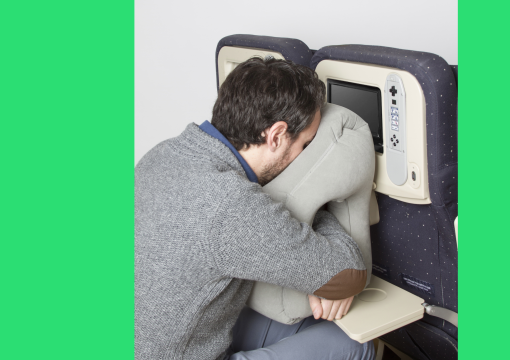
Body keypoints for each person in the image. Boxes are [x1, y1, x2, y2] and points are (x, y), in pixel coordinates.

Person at [135, 57, 374, 360]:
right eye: (304, 144)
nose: (303, 156)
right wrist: (317, 208)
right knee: (355, 344)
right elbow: (350, 275)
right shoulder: (230, 206)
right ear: (276, 135)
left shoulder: (163, 154)